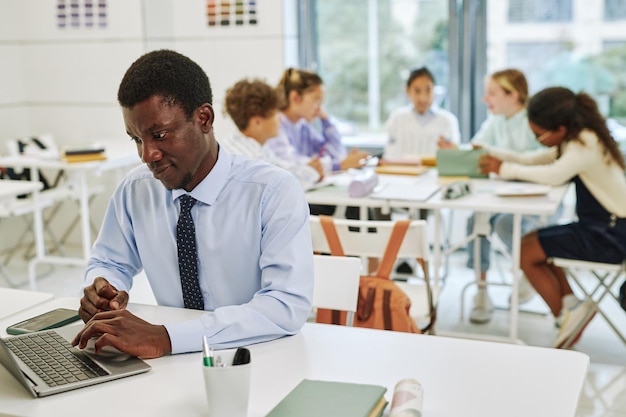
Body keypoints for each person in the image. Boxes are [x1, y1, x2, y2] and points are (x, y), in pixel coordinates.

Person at [70, 50, 314, 358]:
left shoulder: (272, 192)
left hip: (256, 356)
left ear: (204, 119)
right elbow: (110, 261)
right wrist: (103, 289)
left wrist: (167, 338)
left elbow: (284, 305)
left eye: (159, 135)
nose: (147, 155)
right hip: (169, 364)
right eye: (136, 139)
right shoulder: (137, 189)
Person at [479, 86, 626, 349]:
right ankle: (571, 307)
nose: (538, 140)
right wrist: (492, 153)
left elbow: (553, 174)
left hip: (612, 234)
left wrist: (504, 169)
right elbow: (534, 159)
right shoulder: (577, 138)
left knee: (527, 252)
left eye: (539, 135)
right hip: (604, 227)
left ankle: (566, 318)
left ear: (558, 129)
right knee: (535, 244)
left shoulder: (584, 143)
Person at [465, 68, 546, 324]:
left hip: (535, 201)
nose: (485, 99)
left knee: (505, 224)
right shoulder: (495, 121)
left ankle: (528, 271)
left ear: (514, 95)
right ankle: (481, 289)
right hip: (501, 197)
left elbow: (542, 163)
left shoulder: (534, 121)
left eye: (492, 93)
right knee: (474, 223)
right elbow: (477, 149)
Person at [222, 78, 324, 190]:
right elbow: (283, 184)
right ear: (257, 122)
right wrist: (312, 173)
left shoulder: (254, 145)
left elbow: (281, 167)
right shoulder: (250, 158)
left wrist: (307, 169)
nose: (280, 119)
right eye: (275, 114)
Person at [384, 66, 460, 158]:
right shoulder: (397, 118)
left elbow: (453, 156)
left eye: (428, 90)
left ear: (434, 90)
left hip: (435, 172)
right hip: (403, 171)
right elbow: (390, 154)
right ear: (408, 91)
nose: (423, 97)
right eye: (417, 91)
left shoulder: (448, 120)